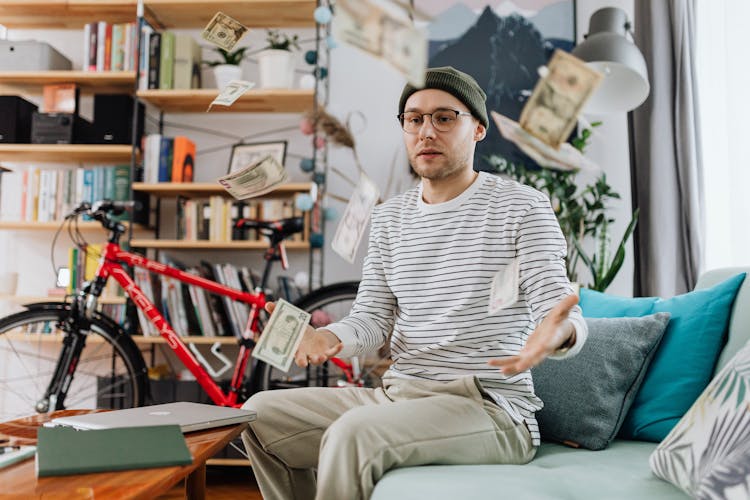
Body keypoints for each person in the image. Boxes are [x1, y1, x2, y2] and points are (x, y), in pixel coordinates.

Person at [241, 66, 588, 500]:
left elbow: (558, 306)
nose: (427, 131)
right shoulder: (389, 218)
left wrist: (557, 332)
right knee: (257, 415)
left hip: (488, 407)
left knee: (353, 435)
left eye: (444, 118)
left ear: (478, 129)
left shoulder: (522, 207)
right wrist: (328, 336)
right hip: (398, 396)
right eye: (414, 119)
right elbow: (371, 318)